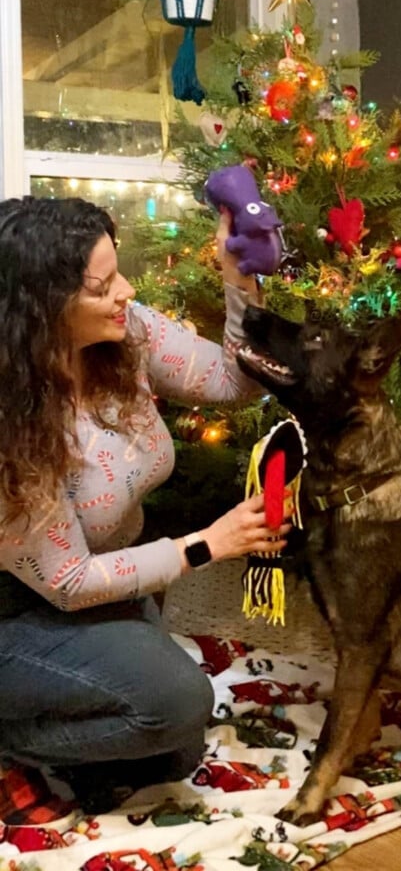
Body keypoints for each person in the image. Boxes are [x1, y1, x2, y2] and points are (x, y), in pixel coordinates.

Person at [0, 195, 289, 819]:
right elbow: (69, 582)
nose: (125, 292)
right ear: (39, 308)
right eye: (101, 286)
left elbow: (234, 382)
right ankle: (7, 742)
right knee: (175, 704)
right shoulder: (10, 421)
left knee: (173, 753)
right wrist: (208, 543)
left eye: (118, 272)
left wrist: (237, 272)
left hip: (104, 584)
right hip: (17, 611)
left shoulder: (124, 334)